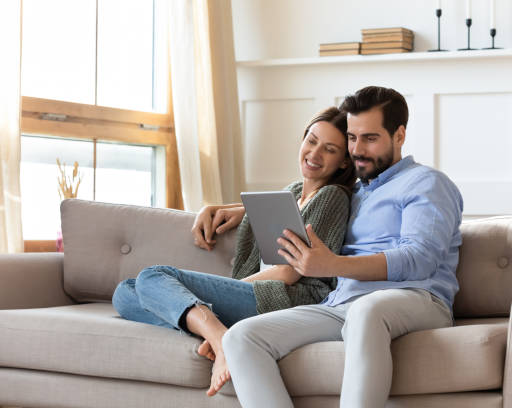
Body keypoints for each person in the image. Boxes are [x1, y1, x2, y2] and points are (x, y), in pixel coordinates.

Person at [221, 86, 464, 408]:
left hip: (417, 297)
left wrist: (332, 265)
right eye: (352, 138)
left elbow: (419, 258)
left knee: (367, 310)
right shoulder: (356, 191)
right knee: (241, 337)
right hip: (343, 303)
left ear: (400, 134)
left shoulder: (426, 182)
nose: (357, 150)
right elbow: (306, 198)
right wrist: (234, 209)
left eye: (370, 138)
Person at [111, 106, 356, 397]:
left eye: (329, 149)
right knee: (124, 293)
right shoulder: (292, 192)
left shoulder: (333, 196)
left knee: (153, 276)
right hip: (261, 293)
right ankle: (211, 325)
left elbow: (290, 272)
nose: (314, 154)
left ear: (343, 162)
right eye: (312, 140)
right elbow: (265, 214)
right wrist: (222, 209)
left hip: (285, 298)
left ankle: (218, 336)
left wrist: (229, 288)